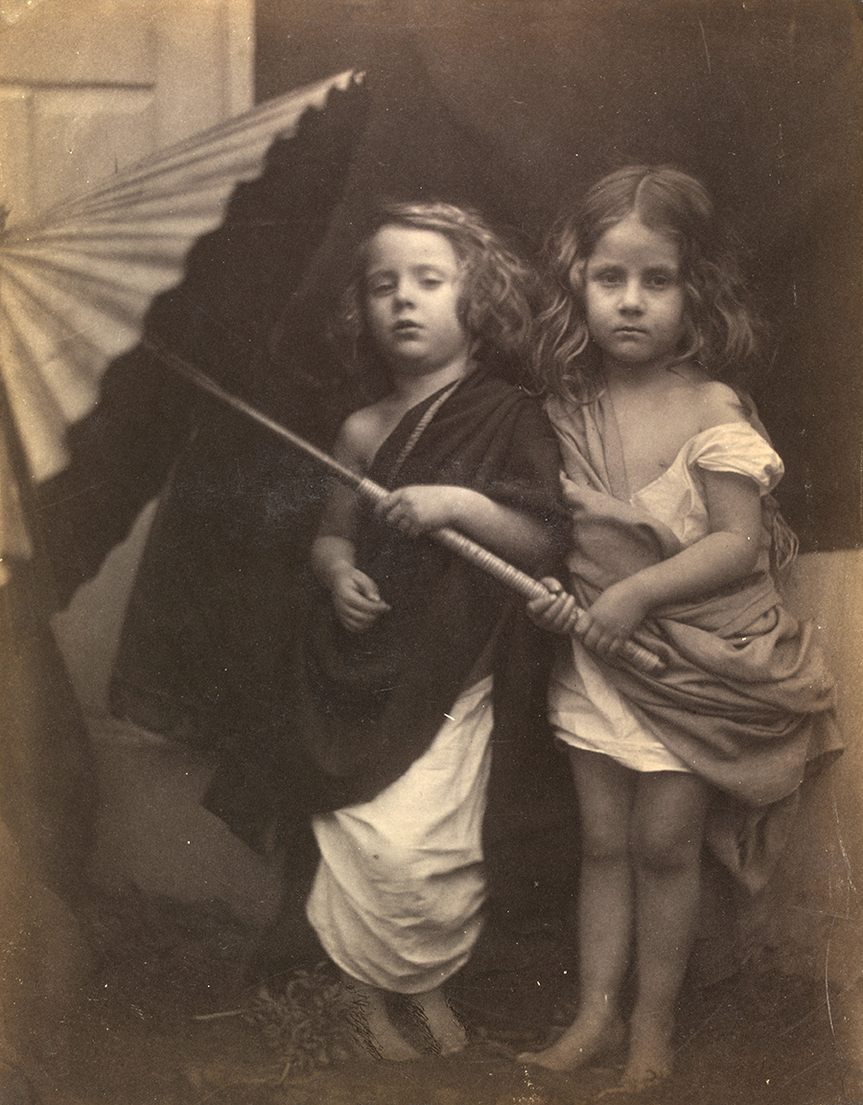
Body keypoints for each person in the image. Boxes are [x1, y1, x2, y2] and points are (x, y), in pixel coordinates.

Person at [518, 166, 840, 1091]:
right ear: (578, 281)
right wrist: (560, 592)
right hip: (598, 656)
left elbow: (738, 545)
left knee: (664, 844)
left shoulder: (710, 408)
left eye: (655, 281)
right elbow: (563, 538)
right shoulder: (566, 410)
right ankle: (593, 1017)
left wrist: (635, 595)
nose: (630, 302)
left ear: (692, 289)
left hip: (691, 657)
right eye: (610, 278)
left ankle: (654, 1029)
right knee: (601, 841)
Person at [296, 201, 567, 1059]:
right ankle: (363, 999)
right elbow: (332, 533)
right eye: (383, 286)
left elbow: (541, 541)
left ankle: (429, 985)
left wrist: (458, 503)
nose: (402, 301)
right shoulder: (362, 428)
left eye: (427, 281)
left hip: (457, 670)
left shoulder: (510, 413)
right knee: (370, 838)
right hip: (366, 665)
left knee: (436, 844)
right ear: (362, 308)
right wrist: (339, 574)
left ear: (475, 297)